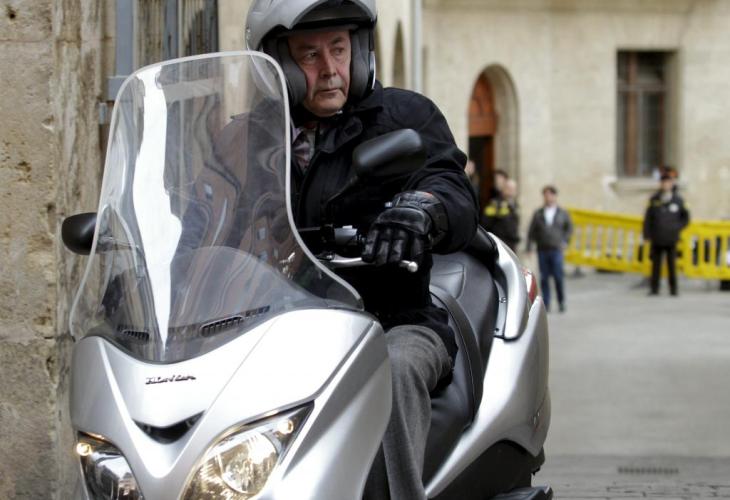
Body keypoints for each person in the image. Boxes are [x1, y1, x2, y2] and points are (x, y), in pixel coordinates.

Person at [246, 1, 479, 498]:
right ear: (278, 64)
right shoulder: (242, 141)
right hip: (275, 329)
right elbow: (199, 209)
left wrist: (423, 208)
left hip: (393, 320)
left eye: (339, 49)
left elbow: (450, 185)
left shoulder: (401, 118)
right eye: (309, 55)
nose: (330, 69)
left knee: (393, 371)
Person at [643, 168, 690, 296]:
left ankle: (673, 289)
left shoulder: (678, 200)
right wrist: (647, 234)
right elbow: (648, 218)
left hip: (671, 237)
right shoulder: (654, 199)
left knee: (671, 265)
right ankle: (654, 288)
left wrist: (677, 227)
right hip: (657, 236)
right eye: (664, 182)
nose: (666, 184)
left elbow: (685, 217)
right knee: (656, 265)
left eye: (668, 182)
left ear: (672, 183)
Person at [527, 185, 573, 312]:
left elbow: (569, 229)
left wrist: (565, 241)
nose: (548, 197)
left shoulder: (562, 213)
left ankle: (561, 301)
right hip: (542, 249)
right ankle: (546, 303)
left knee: (558, 276)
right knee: (544, 277)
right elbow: (532, 231)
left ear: (554, 196)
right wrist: (529, 247)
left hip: (556, 249)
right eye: (545, 195)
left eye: (550, 195)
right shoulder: (539, 213)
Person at [481, 177, 520, 251]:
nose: (511, 190)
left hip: (512, 244)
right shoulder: (494, 203)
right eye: (508, 188)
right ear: (503, 189)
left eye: (513, 188)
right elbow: (485, 223)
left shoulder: (514, 205)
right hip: (499, 243)